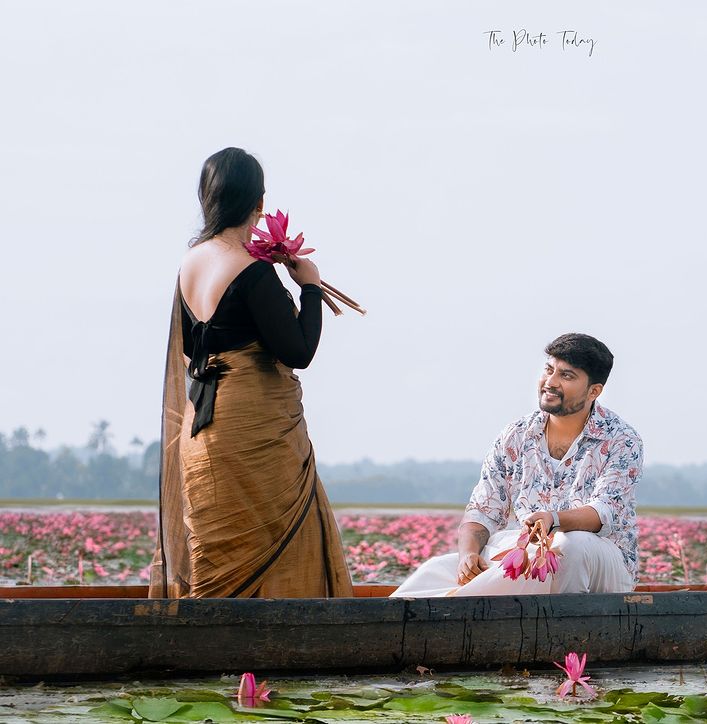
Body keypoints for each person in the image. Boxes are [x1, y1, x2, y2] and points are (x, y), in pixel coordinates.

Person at [149, 147, 353, 598]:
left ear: (207, 199)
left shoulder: (189, 263)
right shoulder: (253, 270)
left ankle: (209, 646)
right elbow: (297, 352)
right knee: (282, 538)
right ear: (258, 203)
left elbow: (192, 347)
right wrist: (311, 289)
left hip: (201, 433)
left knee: (218, 561)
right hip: (253, 433)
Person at [391, 333, 643, 598]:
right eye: (549, 370)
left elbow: (602, 512)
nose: (551, 382)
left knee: (571, 545)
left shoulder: (621, 439)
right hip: (526, 551)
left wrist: (553, 521)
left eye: (566, 376)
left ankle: (473, 605)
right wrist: (468, 555)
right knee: (438, 569)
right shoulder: (517, 434)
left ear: (594, 391)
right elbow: (482, 511)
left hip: (601, 561)